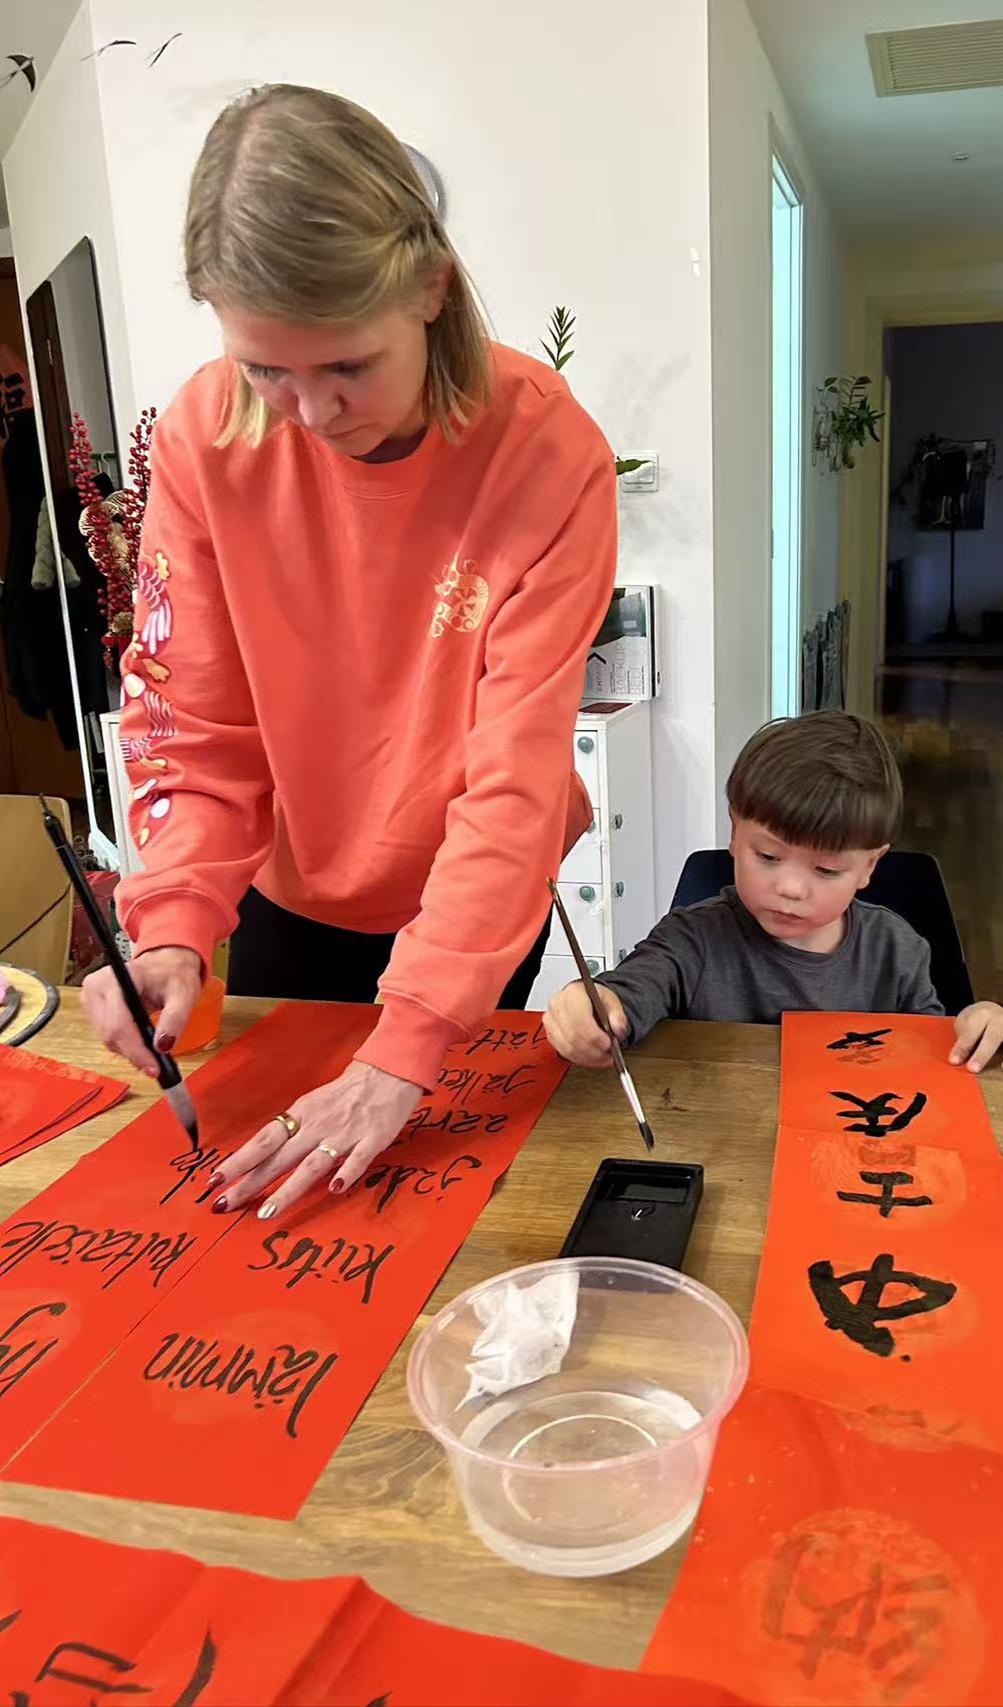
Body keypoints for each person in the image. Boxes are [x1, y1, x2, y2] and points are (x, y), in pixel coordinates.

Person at [81, 85, 617, 1217]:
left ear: (429, 287)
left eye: (345, 368)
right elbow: (193, 721)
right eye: (267, 371)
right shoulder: (202, 436)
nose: (310, 415)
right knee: (274, 1201)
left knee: (444, 1208)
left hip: (470, 900)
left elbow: (512, 779)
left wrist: (408, 1043)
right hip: (287, 884)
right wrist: (171, 927)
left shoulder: (545, 451)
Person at [545, 711, 1003, 1073]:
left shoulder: (895, 950)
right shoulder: (693, 939)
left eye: (827, 870)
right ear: (734, 834)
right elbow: (631, 991)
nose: (789, 888)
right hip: (722, 1146)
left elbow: (935, 1051)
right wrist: (592, 1005)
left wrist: (981, 1020)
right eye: (767, 857)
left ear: (869, 867)